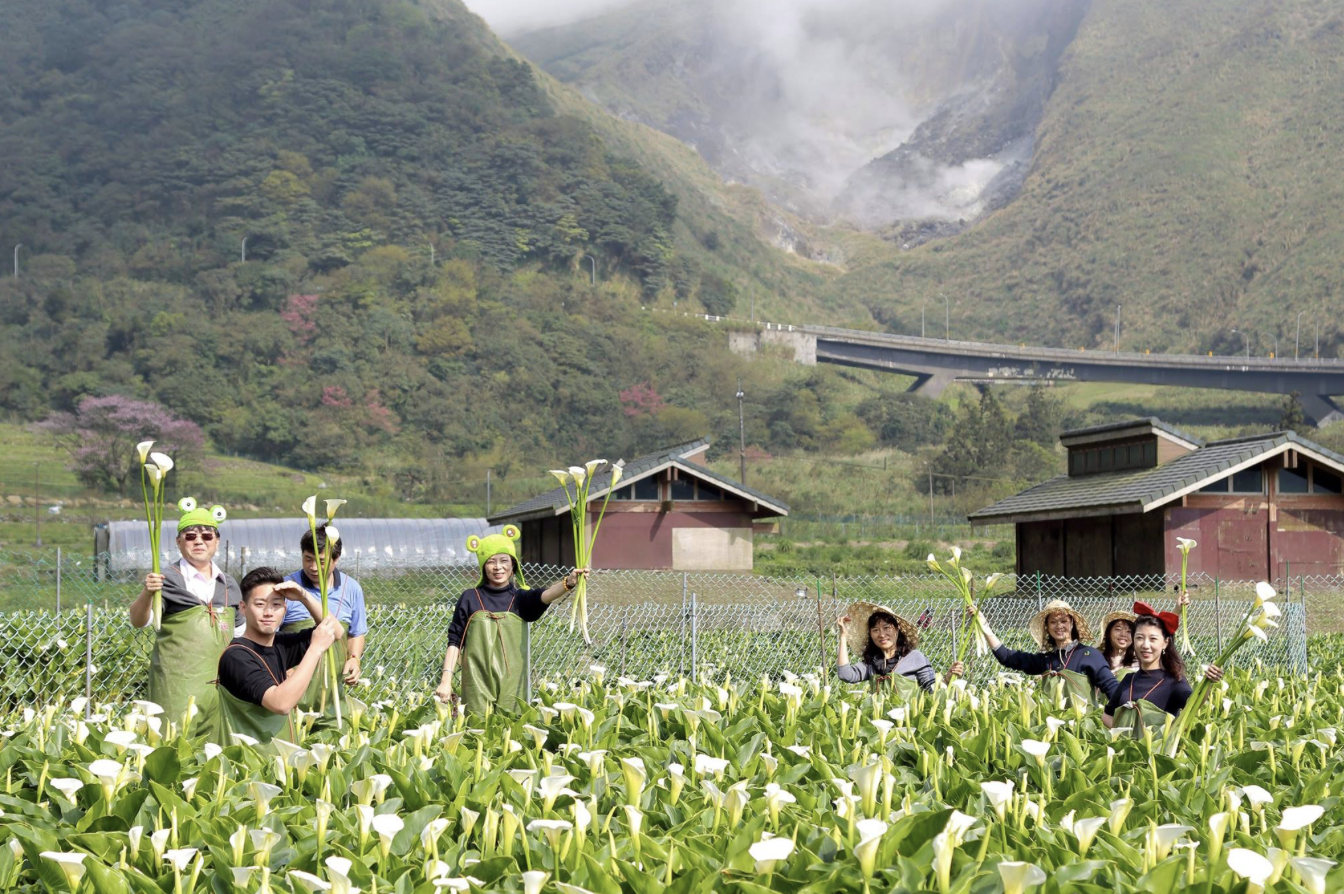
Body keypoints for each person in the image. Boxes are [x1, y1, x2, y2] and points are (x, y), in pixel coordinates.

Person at [433, 526, 586, 713]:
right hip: (476, 680)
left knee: (512, 725)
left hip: (513, 683)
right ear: (483, 566)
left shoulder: (520, 599)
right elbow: (455, 640)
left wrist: (568, 583)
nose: (498, 567)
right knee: (476, 726)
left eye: (504, 560)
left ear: (513, 565)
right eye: (491, 561)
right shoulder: (470, 598)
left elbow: (544, 596)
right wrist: (446, 680)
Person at [129, 499, 239, 740]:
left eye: (207, 536)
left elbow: (241, 634)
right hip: (176, 686)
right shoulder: (166, 579)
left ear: (217, 541)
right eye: (190, 536)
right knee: (171, 743)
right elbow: (139, 620)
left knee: (216, 748)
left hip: (220, 688)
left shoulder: (229, 584)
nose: (199, 541)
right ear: (178, 542)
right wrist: (147, 592)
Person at [216, 567, 345, 744]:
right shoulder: (237, 656)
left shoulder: (279, 644)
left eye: (276, 605)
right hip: (246, 756)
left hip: (273, 754)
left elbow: (336, 631)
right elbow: (281, 704)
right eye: (260, 604)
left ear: (285, 609)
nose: (268, 612)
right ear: (243, 608)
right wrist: (315, 649)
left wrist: (304, 596)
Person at [280, 525, 368, 717]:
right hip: (292, 695)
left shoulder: (351, 588)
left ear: (336, 559)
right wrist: (280, 667)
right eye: (307, 559)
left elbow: (356, 632)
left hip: (333, 698)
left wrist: (354, 659)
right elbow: (270, 635)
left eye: (320, 561)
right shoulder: (288, 588)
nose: (313, 567)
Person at [971, 598, 1121, 706]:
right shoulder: (1046, 660)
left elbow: (1111, 687)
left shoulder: (1089, 654)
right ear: (1047, 627)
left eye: (1064, 621)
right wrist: (984, 625)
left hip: (1084, 728)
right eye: (1053, 622)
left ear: (1072, 623)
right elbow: (1007, 657)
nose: (1059, 626)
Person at [1102, 601, 1224, 731]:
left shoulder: (1173, 681)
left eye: (1153, 639)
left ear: (1165, 643)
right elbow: (1107, 715)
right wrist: (1124, 733)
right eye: (1139, 638)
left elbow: (1194, 704)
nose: (1145, 645)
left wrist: (1208, 682)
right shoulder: (1128, 680)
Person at [835, 601, 960, 693]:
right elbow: (845, 675)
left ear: (897, 629)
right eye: (875, 630)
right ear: (870, 634)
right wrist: (843, 636)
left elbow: (932, 689)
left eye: (886, 628)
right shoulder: (872, 662)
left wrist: (947, 679)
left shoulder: (914, 658)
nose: (882, 634)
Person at [1097, 610, 1137, 676]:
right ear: (1108, 633)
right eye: (1118, 629)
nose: (1123, 634)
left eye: (1129, 631)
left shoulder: (1139, 662)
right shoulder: (1097, 658)